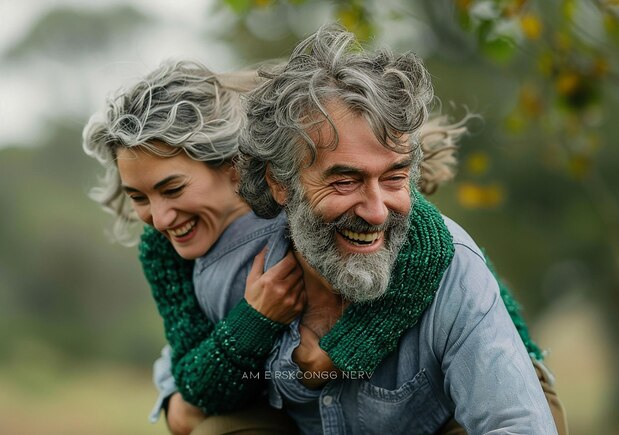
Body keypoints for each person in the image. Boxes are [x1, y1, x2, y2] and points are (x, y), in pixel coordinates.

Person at [82, 59, 471, 435]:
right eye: (139, 197)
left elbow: (430, 246)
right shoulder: (162, 251)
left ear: (233, 167)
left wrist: (337, 354)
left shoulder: (301, 192)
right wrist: (255, 319)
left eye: (172, 189)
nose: (161, 217)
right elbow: (197, 385)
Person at [233, 24, 565, 434]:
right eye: (345, 181)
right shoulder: (237, 258)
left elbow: (519, 424)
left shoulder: (452, 266)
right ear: (279, 183)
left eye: (394, 178)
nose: (376, 213)